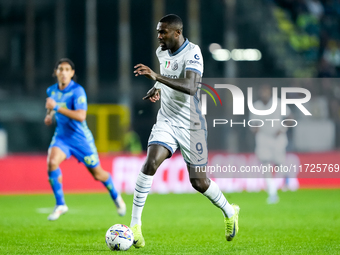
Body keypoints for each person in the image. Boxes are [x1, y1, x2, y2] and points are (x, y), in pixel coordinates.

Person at [130, 14, 240, 248]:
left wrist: (157, 77)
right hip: (167, 121)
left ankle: (230, 211)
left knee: (199, 182)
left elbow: (191, 86)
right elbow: (168, 75)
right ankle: (135, 227)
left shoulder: (194, 53)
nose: (159, 36)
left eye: (163, 32)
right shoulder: (162, 52)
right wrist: (156, 87)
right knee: (150, 163)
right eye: (158, 31)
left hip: (192, 126)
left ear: (177, 33)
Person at [44, 58, 126, 220]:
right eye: (61, 69)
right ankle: (60, 204)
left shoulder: (78, 91)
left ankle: (116, 196)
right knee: (52, 162)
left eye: (67, 69)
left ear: (72, 73)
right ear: (56, 73)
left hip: (81, 140)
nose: (64, 72)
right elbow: (51, 109)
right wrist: (49, 116)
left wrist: (56, 108)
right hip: (62, 138)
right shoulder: (51, 91)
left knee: (98, 175)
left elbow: (81, 116)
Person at [249, 84, 291, 204]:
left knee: (279, 164)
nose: (264, 94)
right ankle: (272, 193)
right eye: (262, 92)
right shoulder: (256, 106)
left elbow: (290, 117)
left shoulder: (278, 103)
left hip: (278, 138)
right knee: (266, 165)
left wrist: (282, 129)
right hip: (263, 138)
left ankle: (285, 178)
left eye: (266, 92)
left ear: (270, 93)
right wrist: (254, 129)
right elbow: (253, 124)